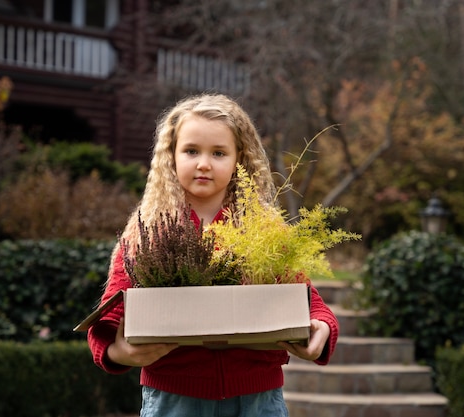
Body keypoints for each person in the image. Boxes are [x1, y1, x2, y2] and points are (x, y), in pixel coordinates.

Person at [88, 93, 339, 417]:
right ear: (171, 157)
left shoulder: (262, 230)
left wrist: (322, 326)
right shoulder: (147, 231)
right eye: (191, 151)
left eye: (218, 152)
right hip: (174, 398)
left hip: (257, 398)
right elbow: (109, 315)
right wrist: (118, 352)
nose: (204, 163)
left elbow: (307, 299)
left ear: (240, 159)